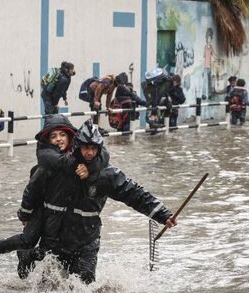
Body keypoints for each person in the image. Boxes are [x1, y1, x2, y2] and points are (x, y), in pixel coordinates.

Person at [17, 120, 177, 284]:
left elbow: (134, 193)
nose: (89, 153)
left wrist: (163, 215)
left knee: (86, 288)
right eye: (85, 148)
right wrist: (25, 215)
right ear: (77, 147)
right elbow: (33, 190)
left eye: (94, 148)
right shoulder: (57, 168)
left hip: (87, 240)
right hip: (56, 239)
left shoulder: (107, 175)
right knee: (48, 288)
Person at [0, 114, 86, 274]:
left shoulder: (79, 155)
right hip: (40, 210)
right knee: (27, 240)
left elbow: (99, 158)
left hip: (61, 214)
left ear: (70, 135)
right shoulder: (47, 161)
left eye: (62, 134)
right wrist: (25, 215)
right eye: (54, 136)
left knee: (47, 250)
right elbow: (32, 190)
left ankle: (28, 259)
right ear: (48, 140)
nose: (59, 139)